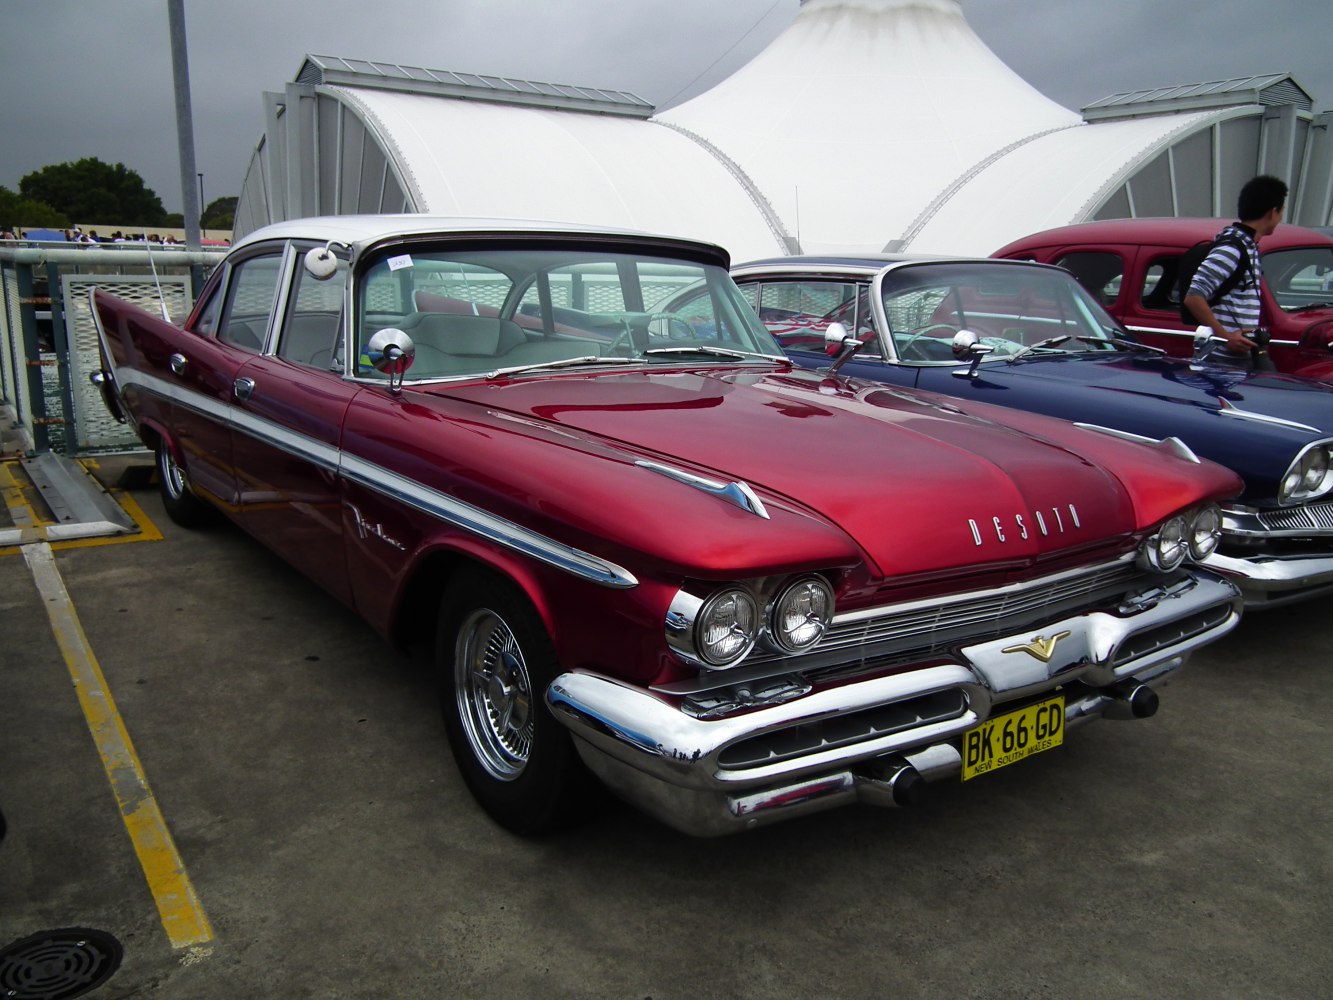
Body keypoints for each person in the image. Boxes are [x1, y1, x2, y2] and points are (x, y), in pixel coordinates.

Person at [1184, 174, 1288, 365]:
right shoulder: (1232, 248)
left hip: (1238, 359)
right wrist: (1226, 336)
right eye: (1281, 212)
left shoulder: (1249, 246)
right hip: (1222, 361)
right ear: (1272, 212)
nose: (1280, 218)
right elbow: (1194, 296)